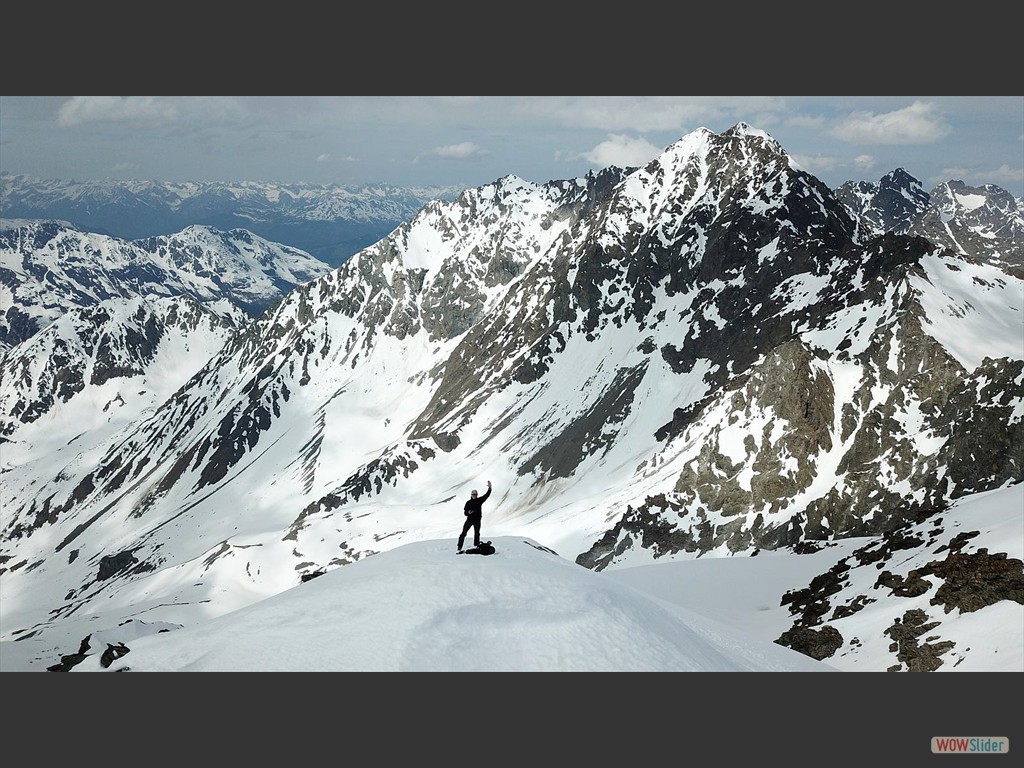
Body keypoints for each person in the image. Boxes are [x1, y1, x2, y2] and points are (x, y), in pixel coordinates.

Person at [457, 480, 492, 552]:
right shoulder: (468, 503)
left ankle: (476, 545)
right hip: (469, 520)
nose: (474, 496)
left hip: (477, 520)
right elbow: (465, 512)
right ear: (471, 495)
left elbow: (486, 495)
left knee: (477, 533)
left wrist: (490, 488)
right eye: (473, 494)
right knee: (463, 533)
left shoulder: (479, 500)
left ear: (477, 495)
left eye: (475, 494)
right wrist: (468, 512)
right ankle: (459, 546)